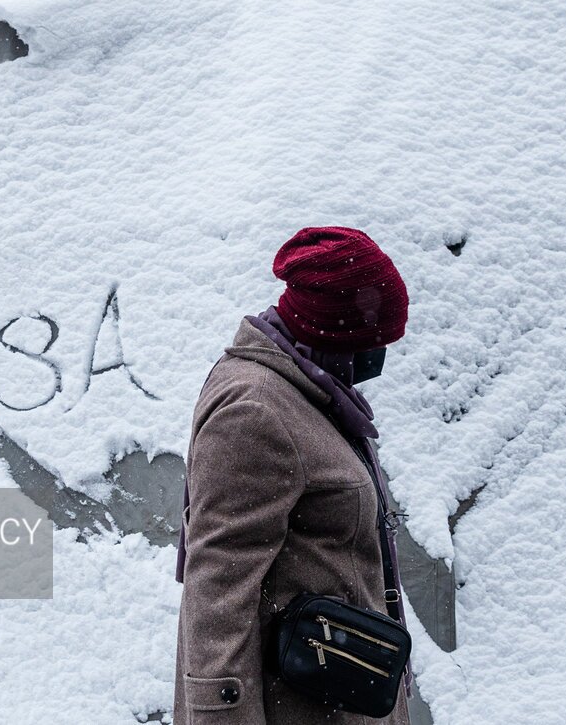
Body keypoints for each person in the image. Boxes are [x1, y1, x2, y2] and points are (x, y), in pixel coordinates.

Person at [173, 226, 412, 724]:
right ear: (334, 329)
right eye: (371, 340)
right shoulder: (256, 410)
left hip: (338, 688)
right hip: (300, 707)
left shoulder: (311, 393)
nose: (377, 357)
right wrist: (221, 715)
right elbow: (218, 581)